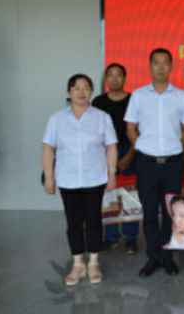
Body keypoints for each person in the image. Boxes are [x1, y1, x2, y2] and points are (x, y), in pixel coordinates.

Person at [42, 74, 118, 286]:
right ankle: (77, 264)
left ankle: (93, 262)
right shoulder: (56, 119)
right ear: (69, 92)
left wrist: (112, 174)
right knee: (73, 222)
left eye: (86, 88)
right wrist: (49, 177)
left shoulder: (102, 117)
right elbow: (48, 148)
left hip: (95, 178)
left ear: (91, 92)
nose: (81, 92)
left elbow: (111, 146)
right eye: (76, 88)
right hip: (67, 179)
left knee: (94, 221)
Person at [125, 48, 184, 278]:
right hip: (147, 163)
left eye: (165, 63)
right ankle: (153, 257)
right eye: (156, 63)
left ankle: (167, 256)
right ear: (150, 66)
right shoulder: (138, 95)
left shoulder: (180, 96)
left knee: (171, 211)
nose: (161, 67)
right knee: (150, 212)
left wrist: (177, 146)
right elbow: (130, 127)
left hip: (173, 162)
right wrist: (141, 146)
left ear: (171, 67)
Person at [92, 63, 139, 254]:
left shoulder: (134, 100)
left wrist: (130, 155)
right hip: (104, 152)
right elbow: (94, 132)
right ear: (106, 79)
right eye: (110, 75)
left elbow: (139, 130)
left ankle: (131, 238)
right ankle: (111, 237)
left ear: (125, 78)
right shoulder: (98, 102)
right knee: (108, 196)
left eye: (118, 75)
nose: (114, 79)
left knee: (130, 197)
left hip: (130, 151)